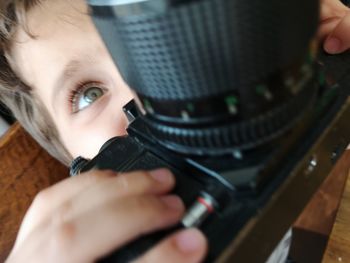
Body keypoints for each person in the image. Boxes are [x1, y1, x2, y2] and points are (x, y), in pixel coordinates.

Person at [1, 0, 349, 262]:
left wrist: (297, 43)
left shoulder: (282, 96)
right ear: (74, 162)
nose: (143, 92)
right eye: (90, 93)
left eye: (163, 49)